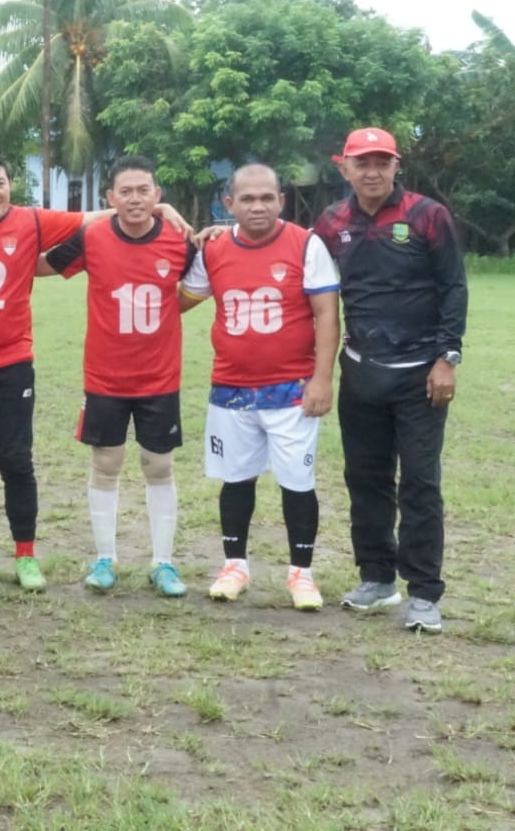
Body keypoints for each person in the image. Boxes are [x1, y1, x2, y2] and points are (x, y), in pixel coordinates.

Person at [0, 150, 187, 590]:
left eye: (0, 182)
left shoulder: (32, 220)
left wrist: (157, 208)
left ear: (10, 185)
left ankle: (27, 556)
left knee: (16, 461)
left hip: (13, 364)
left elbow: (90, 218)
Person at [313, 128, 467, 634]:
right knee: (366, 479)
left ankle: (424, 593)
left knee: (421, 484)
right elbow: (307, 281)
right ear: (344, 167)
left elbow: (452, 287)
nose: (373, 171)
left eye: (383, 161)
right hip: (361, 370)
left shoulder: (427, 215)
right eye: (363, 162)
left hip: (421, 376)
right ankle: (377, 579)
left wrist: (447, 358)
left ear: (397, 165)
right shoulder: (332, 223)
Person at [178, 164, 339, 610]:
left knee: (297, 482)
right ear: (227, 205)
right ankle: (235, 566)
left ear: (281, 201)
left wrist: (322, 380)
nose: (258, 206)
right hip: (231, 387)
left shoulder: (306, 244)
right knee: (236, 479)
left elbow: (327, 313)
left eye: (267, 197)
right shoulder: (214, 250)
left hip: (291, 390)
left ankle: (301, 574)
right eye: (247, 199)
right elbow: (179, 302)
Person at [43, 155, 196, 597]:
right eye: (124, 191)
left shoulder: (179, 240)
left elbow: (206, 277)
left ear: (157, 195)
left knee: (159, 465)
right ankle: (105, 557)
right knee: (105, 464)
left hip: (159, 378)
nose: (134, 198)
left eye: (143, 190)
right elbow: (43, 265)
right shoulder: (91, 237)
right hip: (106, 377)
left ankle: (163, 563)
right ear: (110, 198)